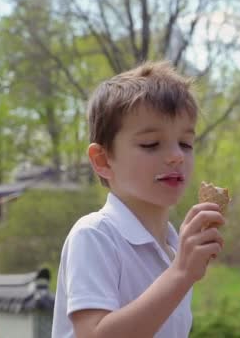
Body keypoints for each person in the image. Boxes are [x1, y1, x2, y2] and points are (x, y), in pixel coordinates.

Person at [52, 61, 225, 338]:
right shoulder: (95, 235)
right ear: (103, 160)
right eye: (150, 144)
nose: (176, 156)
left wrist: (181, 268)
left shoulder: (173, 247)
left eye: (186, 143)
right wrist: (180, 274)